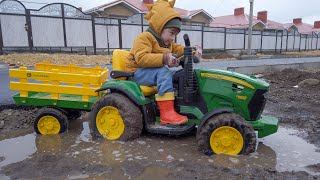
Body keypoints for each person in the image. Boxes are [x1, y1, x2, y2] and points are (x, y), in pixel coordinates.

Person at [125, 0, 202, 125]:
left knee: (179, 75)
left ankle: (180, 106)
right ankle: (167, 113)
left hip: (150, 73)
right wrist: (164, 59)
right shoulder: (144, 38)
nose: (172, 38)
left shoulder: (167, 42)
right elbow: (142, 58)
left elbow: (180, 50)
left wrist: (193, 52)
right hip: (135, 73)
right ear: (159, 26)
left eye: (175, 35)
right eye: (171, 33)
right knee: (164, 72)